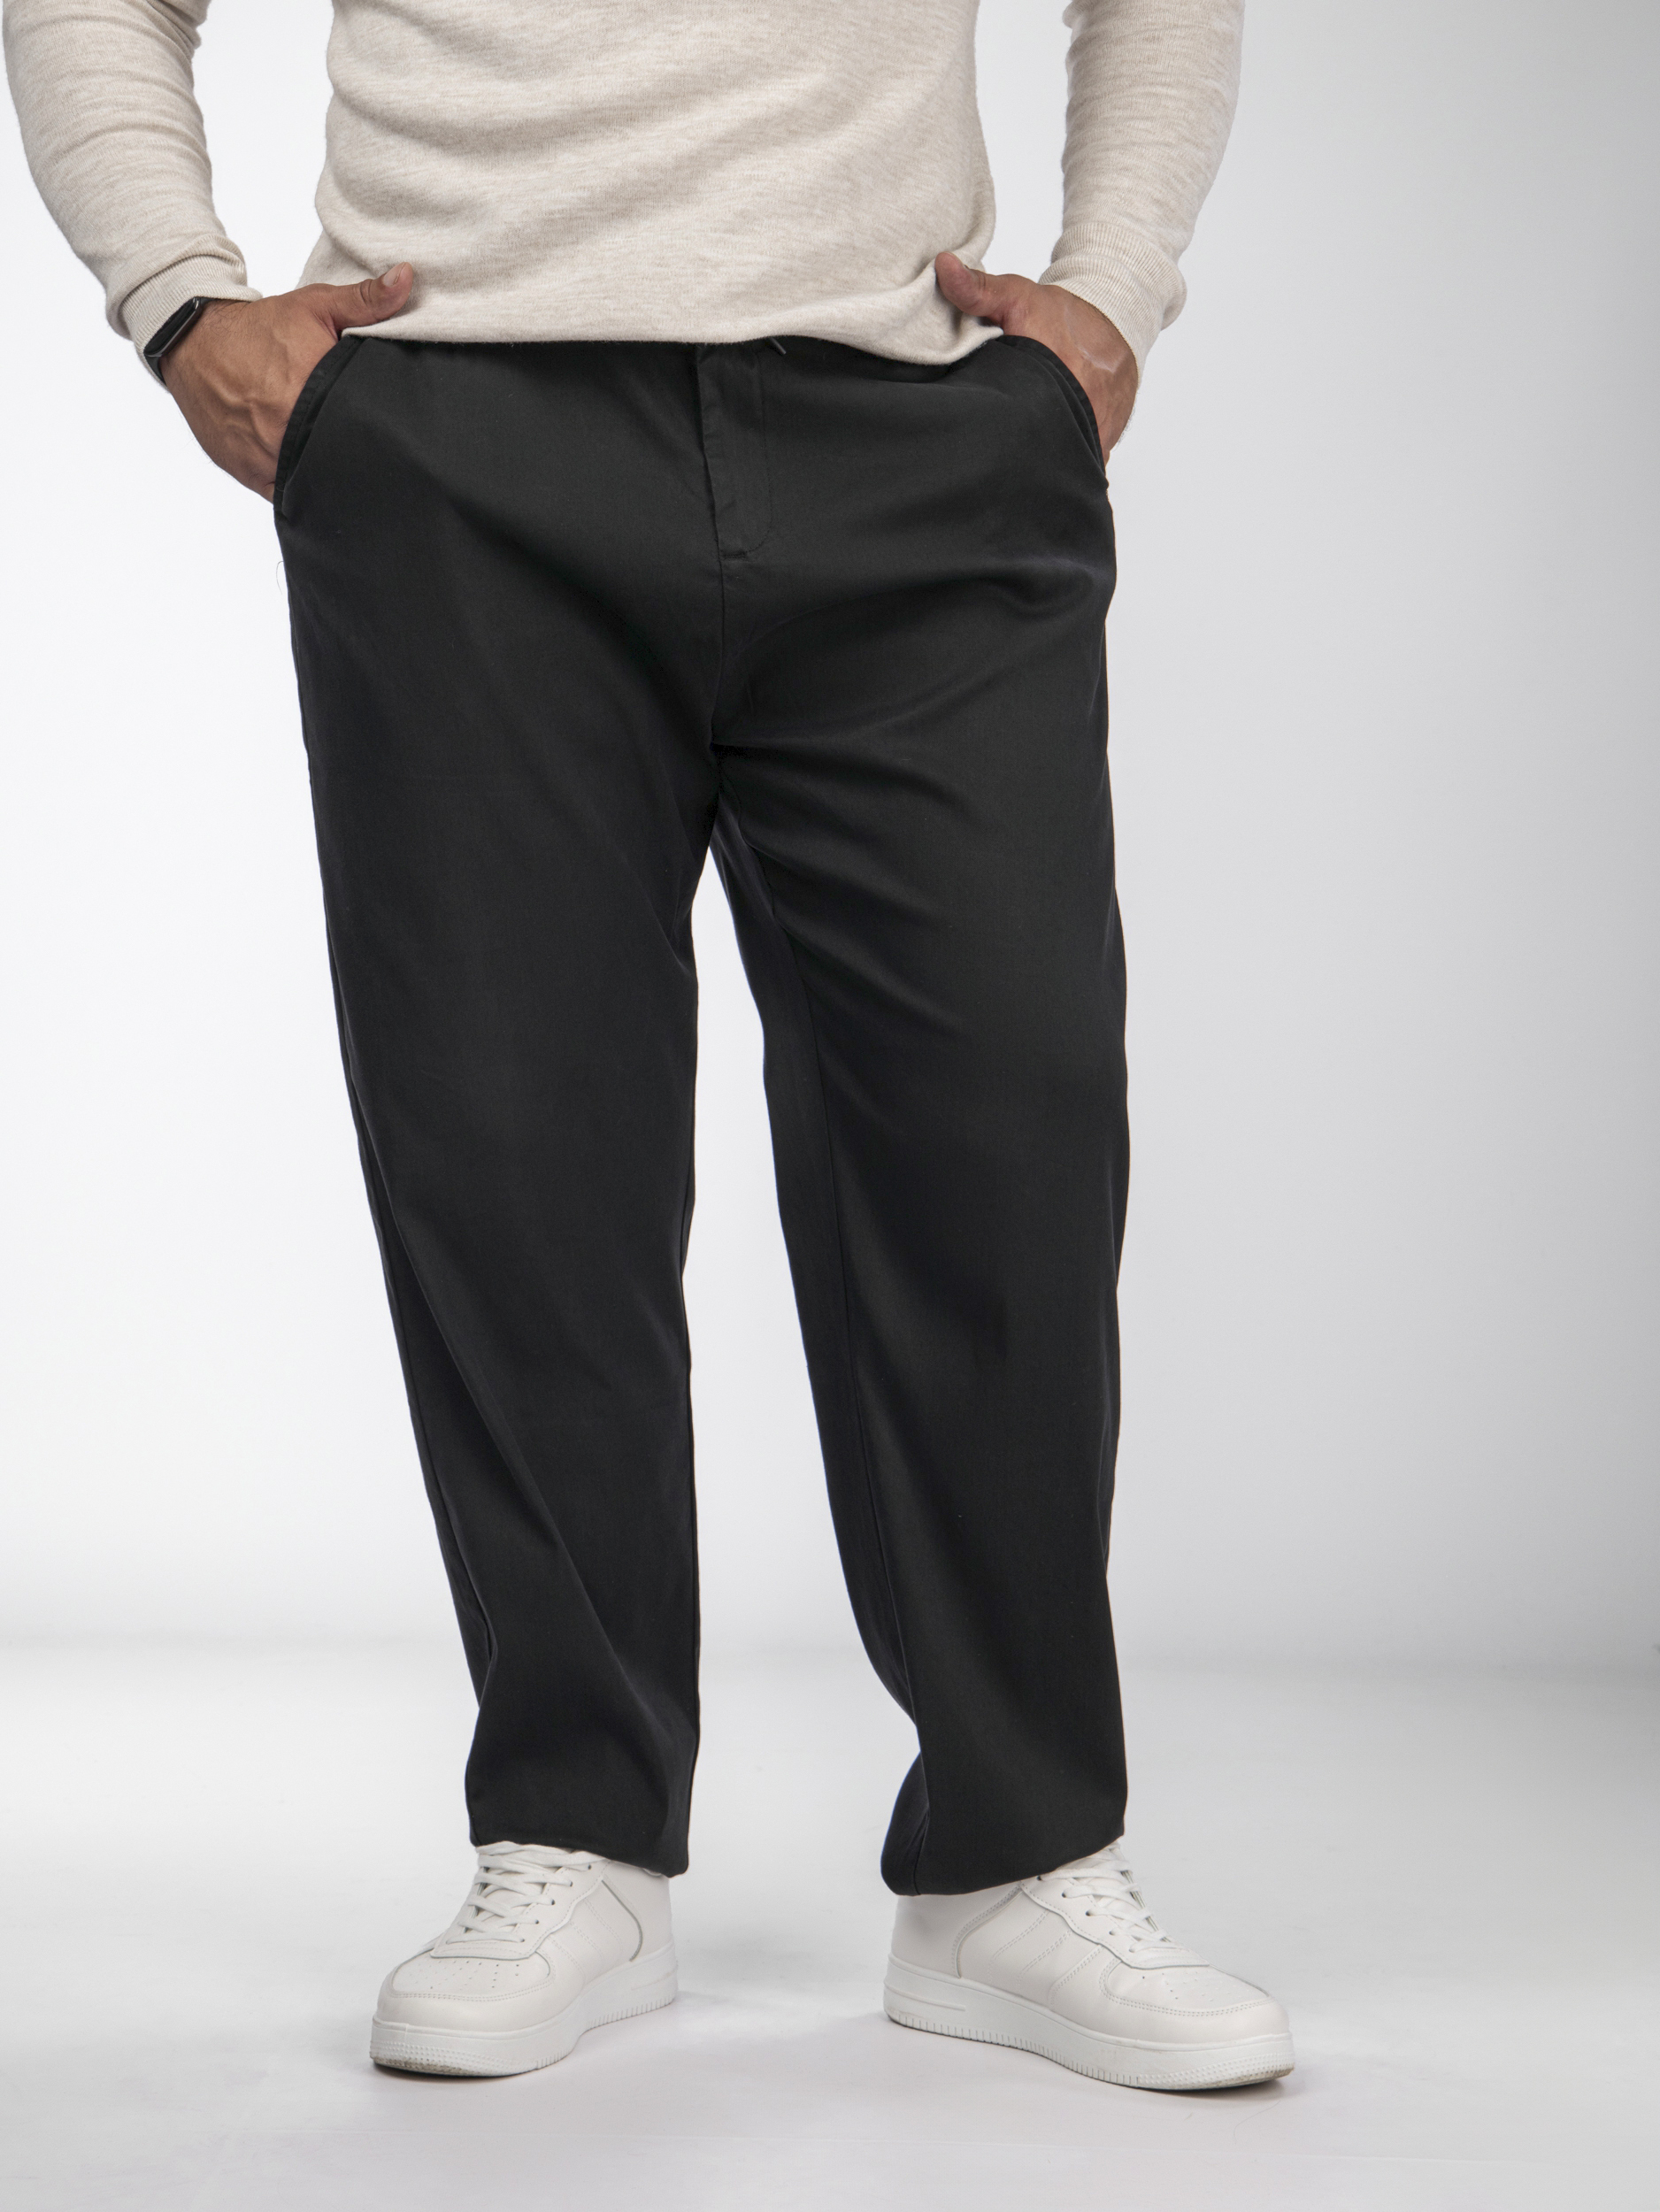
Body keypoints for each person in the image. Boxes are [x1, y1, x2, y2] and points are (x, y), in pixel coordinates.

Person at [5, 0, 1293, 2091]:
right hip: (456, 431)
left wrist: (1109, 287)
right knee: (512, 1143)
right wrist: (177, 295)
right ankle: (576, 1830)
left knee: (1002, 1132)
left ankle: (1014, 1856)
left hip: (917, 427)